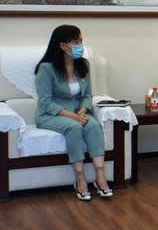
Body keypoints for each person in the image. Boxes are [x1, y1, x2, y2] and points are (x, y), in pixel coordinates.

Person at [35, 25, 113, 201]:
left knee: (93, 126)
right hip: (51, 115)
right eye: (76, 42)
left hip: (78, 112)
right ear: (63, 45)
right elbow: (46, 102)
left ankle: (100, 178)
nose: (80, 46)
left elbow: (87, 96)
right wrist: (74, 117)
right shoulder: (46, 69)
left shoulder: (83, 64)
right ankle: (80, 179)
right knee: (74, 128)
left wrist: (83, 110)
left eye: (81, 41)